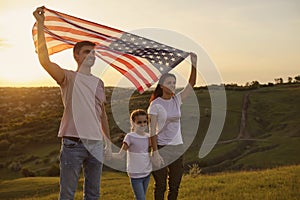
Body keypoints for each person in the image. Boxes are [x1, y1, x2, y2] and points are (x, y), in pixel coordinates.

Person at [33, 6, 112, 200]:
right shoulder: (67, 77)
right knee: (67, 195)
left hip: (96, 145)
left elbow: (102, 114)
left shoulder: (99, 83)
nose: (91, 56)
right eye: (87, 52)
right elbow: (44, 60)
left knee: (93, 194)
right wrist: (41, 24)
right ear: (76, 55)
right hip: (73, 145)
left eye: (93, 53)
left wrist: (108, 143)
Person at [148, 52, 197, 200]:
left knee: (175, 186)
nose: (173, 85)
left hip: (177, 148)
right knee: (161, 186)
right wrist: (155, 153)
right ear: (162, 86)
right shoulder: (155, 104)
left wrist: (194, 63)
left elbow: (191, 84)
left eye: (174, 83)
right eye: (169, 83)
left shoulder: (177, 100)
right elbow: (152, 131)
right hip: (161, 148)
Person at [112, 109, 152, 200]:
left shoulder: (148, 136)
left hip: (147, 172)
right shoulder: (130, 137)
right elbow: (120, 155)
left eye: (145, 122)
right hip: (135, 175)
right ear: (133, 123)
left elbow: (151, 151)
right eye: (139, 122)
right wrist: (108, 154)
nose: (142, 125)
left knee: (142, 197)